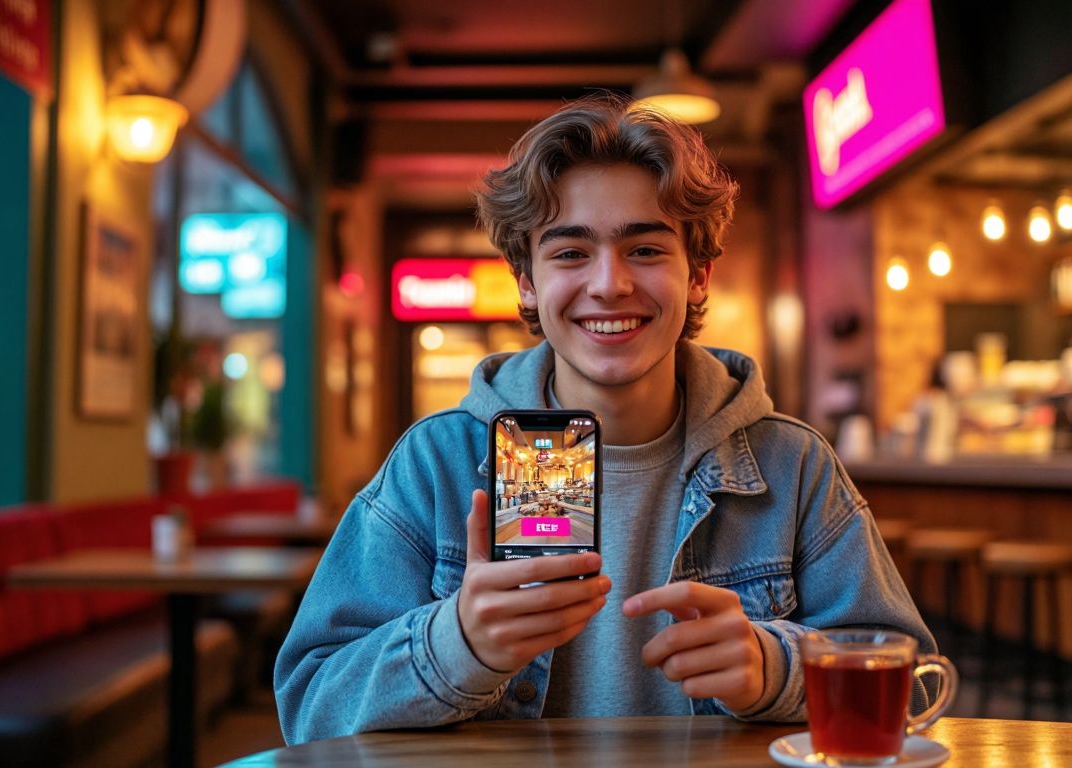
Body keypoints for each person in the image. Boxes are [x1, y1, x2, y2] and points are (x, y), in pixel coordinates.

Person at [274, 94, 932, 742]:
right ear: (526, 281)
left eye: (645, 250)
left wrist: (774, 668)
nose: (610, 284)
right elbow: (309, 706)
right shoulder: (436, 465)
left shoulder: (793, 468)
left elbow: (911, 688)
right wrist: (458, 643)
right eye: (569, 253)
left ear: (698, 275)